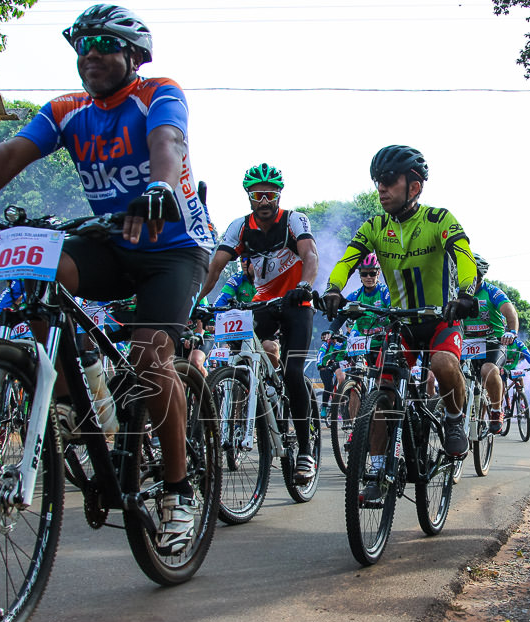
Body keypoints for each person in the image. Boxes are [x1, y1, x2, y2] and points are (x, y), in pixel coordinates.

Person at [0, 5, 214, 555]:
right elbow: (7, 153)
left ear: (133, 55)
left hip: (175, 249)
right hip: (111, 242)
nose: (90, 54)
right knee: (33, 272)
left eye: (105, 45)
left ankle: (179, 490)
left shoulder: (159, 92)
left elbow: (168, 144)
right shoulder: (66, 110)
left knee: (148, 357)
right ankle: (71, 404)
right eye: (82, 46)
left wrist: (160, 189)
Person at [321, 144, 477, 492]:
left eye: (389, 181)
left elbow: (463, 254)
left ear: (415, 187)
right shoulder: (375, 225)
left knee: (441, 364)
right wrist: (333, 289)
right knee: (383, 394)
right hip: (400, 325)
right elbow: (349, 259)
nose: (381, 189)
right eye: (378, 181)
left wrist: (466, 292)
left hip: (440, 318)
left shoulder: (439, 219)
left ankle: (454, 419)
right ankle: (377, 469)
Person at [197, 162, 320, 484]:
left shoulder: (293, 220)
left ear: (279, 196)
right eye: (257, 195)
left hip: (296, 304)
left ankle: (306, 451)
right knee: (241, 357)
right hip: (262, 305)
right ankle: (251, 397)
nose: (264, 201)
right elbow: (216, 267)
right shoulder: (240, 227)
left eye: (270, 195)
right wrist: (196, 300)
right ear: (249, 197)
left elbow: (310, 256)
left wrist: (304, 286)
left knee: (293, 372)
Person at [462, 254, 520, 433]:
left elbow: (510, 312)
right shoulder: (458, 291)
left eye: (475, 275)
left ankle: (496, 409)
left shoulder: (492, 292)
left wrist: (511, 332)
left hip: (493, 342)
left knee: (488, 370)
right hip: (467, 342)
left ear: (480, 276)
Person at [328, 253, 391, 367]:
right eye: (364, 273)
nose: (368, 277)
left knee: (383, 378)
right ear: (360, 275)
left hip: (383, 341)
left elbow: (393, 311)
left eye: (372, 273)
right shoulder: (355, 296)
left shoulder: (385, 292)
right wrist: (331, 331)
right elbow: (341, 316)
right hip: (362, 343)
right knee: (352, 371)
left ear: (378, 273)